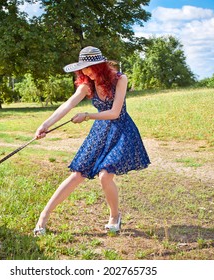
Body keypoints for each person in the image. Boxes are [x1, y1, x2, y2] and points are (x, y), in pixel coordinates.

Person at [33, 46, 150, 235]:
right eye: (83, 68)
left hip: (121, 130)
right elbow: (68, 104)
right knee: (77, 174)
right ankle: (43, 218)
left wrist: (87, 115)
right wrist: (45, 125)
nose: (86, 72)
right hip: (100, 132)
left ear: (101, 66)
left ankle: (114, 217)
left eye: (90, 67)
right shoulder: (86, 84)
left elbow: (115, 113)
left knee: (105, 175)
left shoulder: (120, 79)